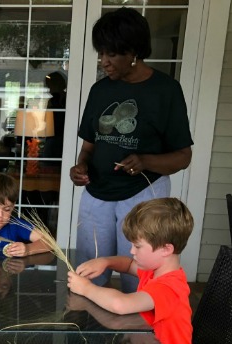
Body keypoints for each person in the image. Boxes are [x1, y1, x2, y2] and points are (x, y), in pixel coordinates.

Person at [70, 7, 193, 293]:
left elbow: (183, 157)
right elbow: (88, 146)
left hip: (143, 196)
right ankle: (86, 330)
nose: (104, 62)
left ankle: (136, 336)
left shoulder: (166, 91)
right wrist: (81, 167)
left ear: (133, 52)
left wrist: (145, 160)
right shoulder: (100, 91)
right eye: (101, 54)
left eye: (111, 54)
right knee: (89, 271)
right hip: (97, 195)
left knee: (139, 276)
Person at [67, 197, 194, 344]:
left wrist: (86, 288)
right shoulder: (155, 271)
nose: (132, 251)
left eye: (138, 246)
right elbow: (127, 265)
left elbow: (120, 304)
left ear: (166, 249)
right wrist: (106, 262)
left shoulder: (169, 288)